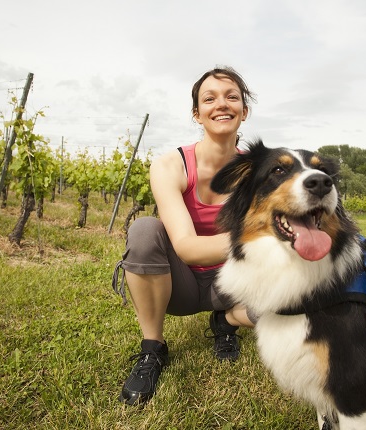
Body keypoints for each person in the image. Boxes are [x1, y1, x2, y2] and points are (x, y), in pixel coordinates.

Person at [112, 66, 258, 406]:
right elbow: (188, 248)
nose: (222, 104)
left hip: (232, 282)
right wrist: (258, 241)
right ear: (197, 113)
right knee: (145, 229)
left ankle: (226, 321)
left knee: (290, 301)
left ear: (244, 111)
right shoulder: (171, 165)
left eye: (231, 97)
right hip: (180, 285)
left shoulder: (257, 171)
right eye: (210, 99)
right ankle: (153, 348)